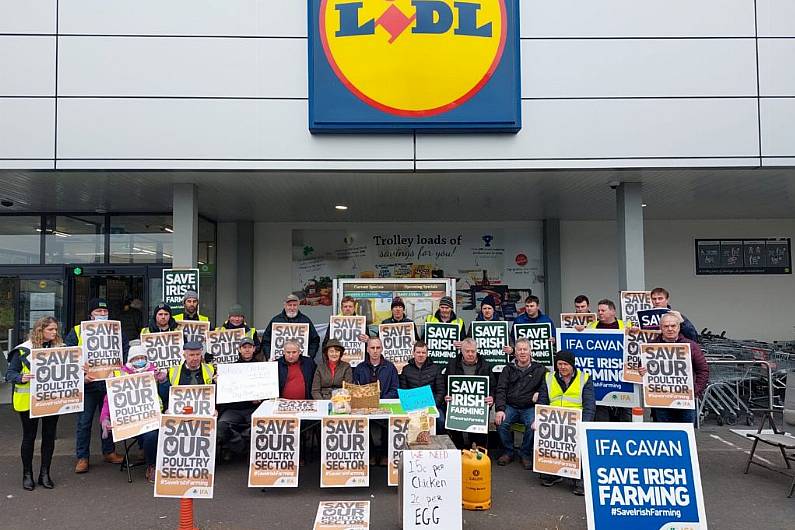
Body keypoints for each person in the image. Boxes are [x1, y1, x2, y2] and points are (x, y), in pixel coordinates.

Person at [64, 298, 126, 473]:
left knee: (108, 420)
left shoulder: (117, 330)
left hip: (109, 383)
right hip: (88, 384)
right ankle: (82, 457)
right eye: (98, 311)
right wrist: (81, 374)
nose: (102, 314)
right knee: (84, 422)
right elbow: (69, 356)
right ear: (90, 314)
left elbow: (125, 351)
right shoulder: (77, 331)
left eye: (105, 312)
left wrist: (123, 371)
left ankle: (109, 452)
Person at [6, 317, 63, 490]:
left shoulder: (61, 348)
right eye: (51, 329)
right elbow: (10, 374)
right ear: (40, 330)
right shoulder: (23, 350)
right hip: (29, 401)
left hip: (52, 399)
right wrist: (20, 378)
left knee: (48, 436)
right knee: (29, 437)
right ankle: (27, 474)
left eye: (55, 330)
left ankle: (45, 474)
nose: (55, 333)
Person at [99, 345, 166, 482]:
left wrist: (163, 381)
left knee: (152, 433)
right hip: (130, 420)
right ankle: (151, 462)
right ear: (130, 360)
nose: (140, 360)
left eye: (142, 358)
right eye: (136, 358)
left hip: (152, 418)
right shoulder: (120, 375)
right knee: (150, 435)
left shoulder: (155, 372)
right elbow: (109, 400)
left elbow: (166, 396)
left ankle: (151, 462)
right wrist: (105, 418)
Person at [536, 349, 595, 495]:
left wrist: (584, 425)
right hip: (553, 421)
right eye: (559, 364)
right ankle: (553, 473)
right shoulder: (548, 377)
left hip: (575, 421)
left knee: (579, 446)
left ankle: (579, 479)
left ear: (572, 365)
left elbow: (589, 406)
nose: (562, 367)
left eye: (565, 364)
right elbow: (543, 400)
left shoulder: (584, 378)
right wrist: (538, 420)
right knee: (550, 450)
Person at [638, 312, 709, 424]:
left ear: (679, 327)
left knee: (686, 432)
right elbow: (641, 366)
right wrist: (641, 371)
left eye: (673, 326)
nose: (670, 329)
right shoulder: (651, 346)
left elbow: (703, 370)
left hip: (685, 399)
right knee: (664, 433)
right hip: (660, 399)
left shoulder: (691, 346)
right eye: (666, 326)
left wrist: (695, 391)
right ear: (661, 328)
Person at [494, 338, 548, 469]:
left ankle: (525, 453)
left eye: (525, 349)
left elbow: (546, 391)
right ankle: (508, 451)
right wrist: (500, 409)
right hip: (510, 407)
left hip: (529, 408)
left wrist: (539, 395)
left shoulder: (541, 370)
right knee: (501, 423)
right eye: (519, 349)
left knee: (533, 425)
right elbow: (500, 389)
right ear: (515, 352)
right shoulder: (508, 369)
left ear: (531, 351)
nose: (522, 352)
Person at [353, 337, 399, 465]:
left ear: (382, 349)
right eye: (372, 348)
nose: (375, 351)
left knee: (389, 422)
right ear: (367, 349)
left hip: (384, 403)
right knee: (361, 423)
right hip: (364, 405)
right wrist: (366, 400)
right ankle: (371, 453)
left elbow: (395, 389)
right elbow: (355, 388)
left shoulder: (390, 367)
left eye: (378, 348)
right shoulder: (360, 367)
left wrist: (381, 400)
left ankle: (384, 453)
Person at [217, 337, 264, 462]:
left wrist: (261, 398)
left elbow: (267, 390)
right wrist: (217, 381)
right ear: (239, 349)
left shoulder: (263, 367)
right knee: (221, 426)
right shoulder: (230, 368)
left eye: (250, 347)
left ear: (254, 349)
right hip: (234, 409)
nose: (247, 350)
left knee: (262, 425)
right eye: (244, 347)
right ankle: (240, 445)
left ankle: (238, 446)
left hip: (253, 409)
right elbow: (224, 390)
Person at [444, 338, 496, 450]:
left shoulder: (485, 365)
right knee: (455, 428)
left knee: (480, 430)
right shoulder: (452, 364)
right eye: (467, 351)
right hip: (457, 406)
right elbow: (445, 384)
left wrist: (492, 397)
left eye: (473, 351)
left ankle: (480, 452)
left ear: (477, 350)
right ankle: (460, 451)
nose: (470, 354)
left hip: (479, 407)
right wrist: (446, 396)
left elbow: (493, 386)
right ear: (461, 351)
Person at [583, 299, 629, 422]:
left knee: (626, 414)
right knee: (601, 412)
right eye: (598, 310)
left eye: (603, 310)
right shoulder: (591, 326)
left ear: (613, 311)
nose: (600, 313)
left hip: (622, 377)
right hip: (600, 377)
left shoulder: (626, 326)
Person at [399, 340, 446, 433]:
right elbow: (403, 391)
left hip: (432, 405)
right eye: (418, 352)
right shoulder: (406, 369)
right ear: (413, 353)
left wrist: (433, 405)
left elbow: (441, 391)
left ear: (427, 354)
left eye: (423, 352)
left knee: (441, 421)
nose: (421, 355)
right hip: (412, 407)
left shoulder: (435, 369)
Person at [159, 341, 216, 411]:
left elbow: (215, 395)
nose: (195, 358)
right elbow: (165, 396)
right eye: (191, 355)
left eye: (198, 354)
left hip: (204, 411)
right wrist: (163, 382)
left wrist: (215, 409)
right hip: (180, 412)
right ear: (184, 356)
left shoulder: (210, 369)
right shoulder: (173, 371)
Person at [263, 294, 320, 362]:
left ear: (298, 305)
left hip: (301, 363)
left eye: (295, 305)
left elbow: (315, 340)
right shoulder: (276, 320)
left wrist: (310, 356)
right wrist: (269, 356)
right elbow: (266, 340)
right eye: (289, 305)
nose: (292, 308)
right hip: (279, 362)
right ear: (285, 306)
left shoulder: (305, 320)